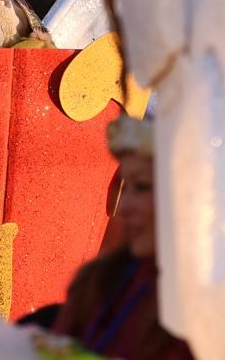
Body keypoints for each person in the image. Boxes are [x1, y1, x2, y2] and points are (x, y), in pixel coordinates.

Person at [54, 116, 194, 359]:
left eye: (141, 187)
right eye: (123, 188)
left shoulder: (220, 311)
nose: (125, 206)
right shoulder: (97, 281)